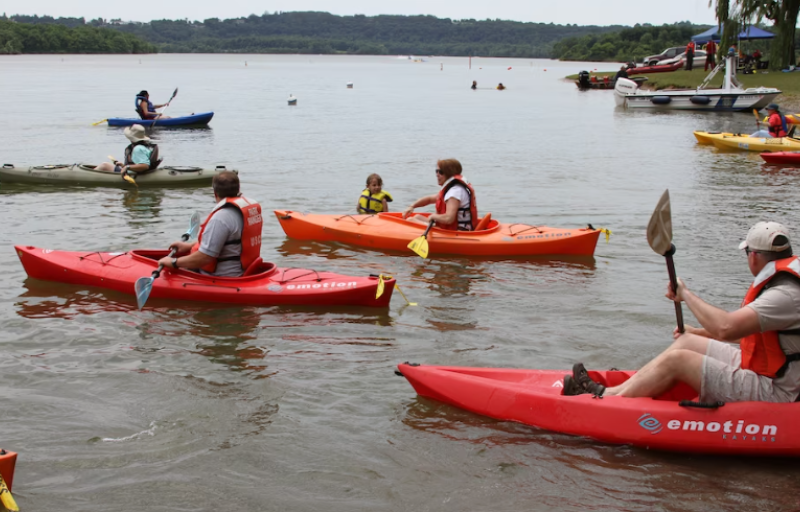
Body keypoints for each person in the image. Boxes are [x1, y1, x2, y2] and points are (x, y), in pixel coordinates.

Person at [564, 222, 800, 404]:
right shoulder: (782, 285)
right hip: (768, 370)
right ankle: (610, 393)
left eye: (746, 252)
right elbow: (760, 337)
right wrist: (698, 332)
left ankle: (605, 402)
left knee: (678, 361)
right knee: (688, 340)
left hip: (779, 390)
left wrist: (685, 295)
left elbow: (726, 328)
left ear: (754, 255)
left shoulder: (785, 295)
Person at [158, 171, 262, 278]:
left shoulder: (221, 218)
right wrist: (189, 246)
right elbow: (227, 244)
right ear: (238, 190)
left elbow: (205, 258)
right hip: (245, 272)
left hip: (222, 277)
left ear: (215, 193)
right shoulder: (244, 211)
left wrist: (174, 262)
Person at [402, 159, 478, 231]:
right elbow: (429, 199)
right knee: (417, 217)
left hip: (457, 232)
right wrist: (412, 206)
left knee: (410, 220)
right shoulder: (453, 188)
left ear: (449, 173)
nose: (437, 174)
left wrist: (433, 216)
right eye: (436, 171)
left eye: (441, 172)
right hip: (450, 228)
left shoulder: (454, 193)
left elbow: (449, 218)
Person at [92, 124, 161, 180]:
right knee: (106, 166)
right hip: (133, 171)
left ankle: (88, 176)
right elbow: (138, 162)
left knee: (104, 165)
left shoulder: (138, 149)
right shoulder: (143, 146)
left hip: (131, 174)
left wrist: (127, 167)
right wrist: (123, 165)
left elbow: (145, 166)